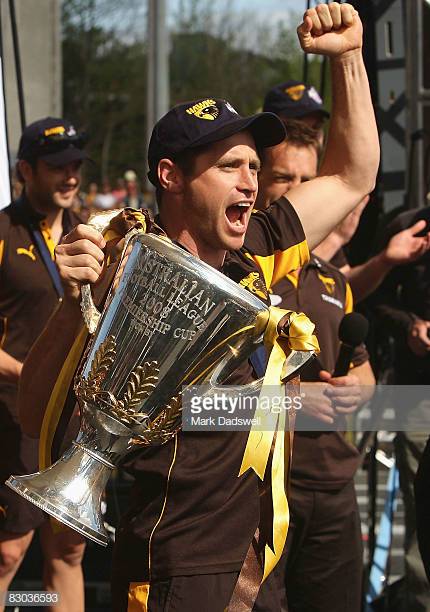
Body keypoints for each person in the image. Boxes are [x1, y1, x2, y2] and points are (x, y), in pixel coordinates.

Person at [18, 5, 379, 611]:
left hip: (263, 568)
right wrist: (69, 304)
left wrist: (347, 58)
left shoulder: (258, 248)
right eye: (230, 166)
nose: (251, 182)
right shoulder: (123, 265)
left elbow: (352, 176)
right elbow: (35, 414)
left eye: (255, 167)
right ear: (172, 176)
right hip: (173, 574)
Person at [255, 115, 374, 611]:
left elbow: (363, 370)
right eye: (284, 179)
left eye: (309, 181)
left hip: (334, 487)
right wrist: (295, 401)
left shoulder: (334, 279)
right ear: (259, 184)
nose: (297, 195)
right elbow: (196, 403)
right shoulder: (244, 274)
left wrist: (359, 387)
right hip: (261, 493)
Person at [0, 117, 87, 612]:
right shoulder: (2, 231)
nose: (70, 176)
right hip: (14, 417)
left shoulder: (91, 235)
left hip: (75, 421)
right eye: (57, 166)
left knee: (68, 550)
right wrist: (29, 376)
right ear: (25, 170)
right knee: (9, 553)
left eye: (76, 165)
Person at [372, 208, 430, 612]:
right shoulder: (411, 227)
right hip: (420, 393)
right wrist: (410, 324)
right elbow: (371, 300)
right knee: (421, 511)